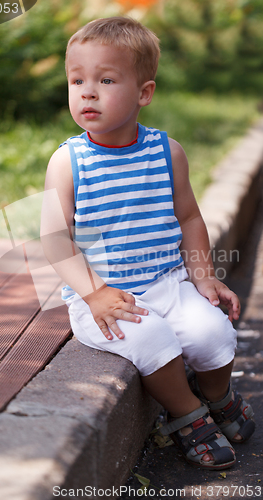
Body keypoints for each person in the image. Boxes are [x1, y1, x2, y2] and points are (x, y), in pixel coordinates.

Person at [41, 16, 255, 470]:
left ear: (144, 93)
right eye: (76, 79)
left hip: (167, 281)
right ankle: (187, 415)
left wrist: (204, 279)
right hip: (103, 296)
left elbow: (190, 217)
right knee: (153, 339)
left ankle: (217, 394)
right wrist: (94, 293)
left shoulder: (166, 152)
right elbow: (55, 238)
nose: (87, 91)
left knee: (212, 332)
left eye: (106, 79)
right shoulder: (68, 161)